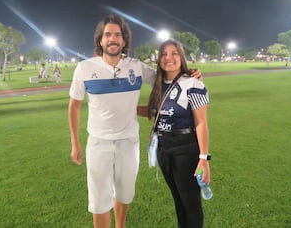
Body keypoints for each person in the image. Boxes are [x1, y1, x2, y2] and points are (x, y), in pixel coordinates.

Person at [68, 14, 202, 228]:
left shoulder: (136, 67)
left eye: (118, 35)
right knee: (100, 202)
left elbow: (165, 76)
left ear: (124, 40)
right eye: (108, 34)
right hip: (98, 143)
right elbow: (74, 105)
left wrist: (189, 73)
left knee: (124, 194)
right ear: (100, 40)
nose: (113, 39)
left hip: (129, 143)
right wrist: (75, 142)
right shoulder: (84, 69)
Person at [145, 39, 211, 228]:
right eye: (164, 54)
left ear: (181, 57)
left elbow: (201, 123)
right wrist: (128, 109)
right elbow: (154, 112)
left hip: (186, 151)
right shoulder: (159, 83)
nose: (169, 58)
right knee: (178, 201)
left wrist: (204, 159)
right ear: (159, 59)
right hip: (164, 150)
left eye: (174, 53)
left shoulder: (193, 84)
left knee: (191, 204)